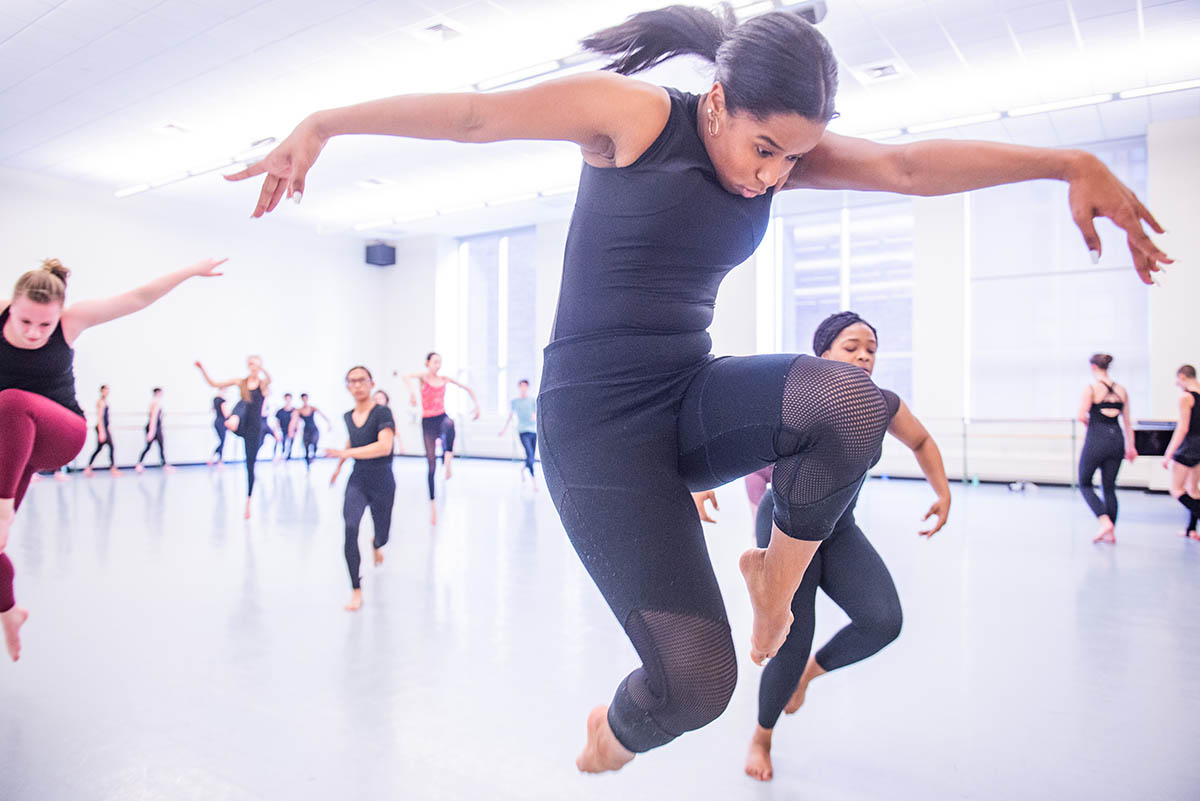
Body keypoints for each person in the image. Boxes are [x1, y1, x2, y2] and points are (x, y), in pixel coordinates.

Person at [228, 4, 1168, 772]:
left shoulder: (776, 156)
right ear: (715, 102)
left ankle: (776, 581)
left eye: (794, 160)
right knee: (697, 686)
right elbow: (481, 114)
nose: (774, 178)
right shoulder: (638, 119)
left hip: (686, 390)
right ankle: (617, 729)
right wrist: (324, 123)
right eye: (764, 149)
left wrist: (1069, 163)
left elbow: (909, 167)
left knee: (852, 403)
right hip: (593, 426)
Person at [692, 312, 950, 782]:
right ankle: (763, 734)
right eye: (851, 347)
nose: (864, 356)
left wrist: (943, 491)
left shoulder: (882, 404)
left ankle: (810, 673)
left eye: (871, 348)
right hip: (786, 524)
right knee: (791, 640)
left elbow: (922, 439)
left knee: (883, 620)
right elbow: (733, 433)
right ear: (823, 354)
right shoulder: (804, 397)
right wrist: (699, 480)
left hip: (839, 527)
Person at [1, 256, 224, 661]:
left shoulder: (72, 320)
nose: (34, 332)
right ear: (11, 307)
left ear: (58, 316)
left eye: (44, 325)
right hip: (14, 446)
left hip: (60, 434)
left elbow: (138, 297)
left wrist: (189, 271)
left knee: (11, 401)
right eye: (25, 322)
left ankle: (3, 509)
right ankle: (10, 610)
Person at [328, 366, 396, 611]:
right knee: (350, 526)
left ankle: (376, 543)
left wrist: (347, 453)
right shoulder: (348, 416)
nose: (357, 385)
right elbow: (351, 441)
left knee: (383, 535)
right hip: (358, 479)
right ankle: (356, 589)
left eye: (361, 380)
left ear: (371, 382)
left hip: (383, 480)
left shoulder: (382, 412)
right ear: (347, 386)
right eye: (352, 381)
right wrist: (339, 466)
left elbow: (384, 446)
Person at [401, 352, 480, 525]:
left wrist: (476, 406)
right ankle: (432, 507)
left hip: (441, 417)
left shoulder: (444, 379)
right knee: (430, 465)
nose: (438, 365)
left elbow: (467, 389)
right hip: (428, 422)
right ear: (428, 363)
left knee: (450, 424)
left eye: (440, 362)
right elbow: (406, 376)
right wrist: (412, 394)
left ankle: (448, 463)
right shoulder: (423, 378)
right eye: (435, 362)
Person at [195, 357, 272, 519]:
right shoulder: (241, 382)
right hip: (241, 422)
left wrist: (262, 369)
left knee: (250, 464)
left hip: (254, 428)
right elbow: (214, 384)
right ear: (248, 365)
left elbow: (270, 379)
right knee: (243, 402)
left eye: (256, 365)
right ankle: (233, 419)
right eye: (251, 364)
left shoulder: (263, 385)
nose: (253, 367)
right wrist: (202, 369)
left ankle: (248, 502)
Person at [1075, 354, 1137, 544]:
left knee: (1084, 482)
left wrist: (1089, 422)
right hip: (1116, 439)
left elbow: (1081, 415)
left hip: (1096, 439)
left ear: (1093, 367)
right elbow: (1127, 423)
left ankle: (1103, 521)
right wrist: (1131, 446)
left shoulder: (1092, 388)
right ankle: (1111, 532)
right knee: (1109, 487)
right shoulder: (1122, 390)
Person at [1163, 364, 1200, 538]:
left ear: (1183, 377)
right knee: (1193, 489)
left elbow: (1183, 428)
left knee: (1176, 489)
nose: (1177, 383)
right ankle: (1191, 529)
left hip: (1189, 446)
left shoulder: (1185, 397)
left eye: (1177, 380)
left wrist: (1169, 453)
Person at [499, 378, 538, 490]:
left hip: (533, 431)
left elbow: (536, 413)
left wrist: (534, 416)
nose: (523, 388)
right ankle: (534, 481)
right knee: (529, 454)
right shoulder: (515, 402)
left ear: (527, 387)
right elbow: (510, 416)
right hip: (522, 431)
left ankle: (523, 469)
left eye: (525, 386)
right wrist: (503, 430)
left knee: (531, 456)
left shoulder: (531, 400)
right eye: (521, 386)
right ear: (519, 387)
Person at [83, 384, 118, 476]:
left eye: (108, 391)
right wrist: (101, 431)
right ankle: (112, 468)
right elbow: (100, 417)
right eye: (105, 391)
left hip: (104, 428)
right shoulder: (101, 402)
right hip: (102, 428)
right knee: (110, 447)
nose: (107, 392)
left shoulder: (105, 402)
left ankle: (88, 468)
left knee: (100, 448)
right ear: (101, 391)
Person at [134, 387, 172, 473]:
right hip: (154, 428)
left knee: (160, 446)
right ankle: (139, 464)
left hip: (156, 427)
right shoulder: (155, 403)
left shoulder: (155, 402)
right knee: (149, 447)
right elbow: (153, 418)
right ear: (157, 393)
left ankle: (164, 464)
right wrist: (151, 431)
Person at [294, 393, 330, 469]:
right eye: (303, 399)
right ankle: (308, 466)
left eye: (305, 398)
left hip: (314, 429)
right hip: (306, 430)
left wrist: (328, 423)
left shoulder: (312, 408)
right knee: (306, 447)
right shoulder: (299, 410)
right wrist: (295, 429)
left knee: (314, 443)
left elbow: (322, 415)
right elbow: (295, 420)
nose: (305, 400)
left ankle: (313, 456)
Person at [207, 393, 230, 467]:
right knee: (222, 442)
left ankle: (212, 458)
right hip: (222, 423)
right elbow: (225, 414)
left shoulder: (215, 400)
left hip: (217, 422)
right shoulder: (222, 401)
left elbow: (212, 409)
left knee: (221, 441)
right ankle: (219, 461)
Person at [274, 392, 297, 461]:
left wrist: (296, 430)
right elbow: (277, 422)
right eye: (286, 399)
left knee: (290, 444)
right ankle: (281, 456)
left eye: (289, 399)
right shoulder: (280, 411)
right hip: (283, 429)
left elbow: (297, 421)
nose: (288, 400)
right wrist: (276, 431)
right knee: (282, 443)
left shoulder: (294, 411)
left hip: (292, 430)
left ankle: (288, 457)